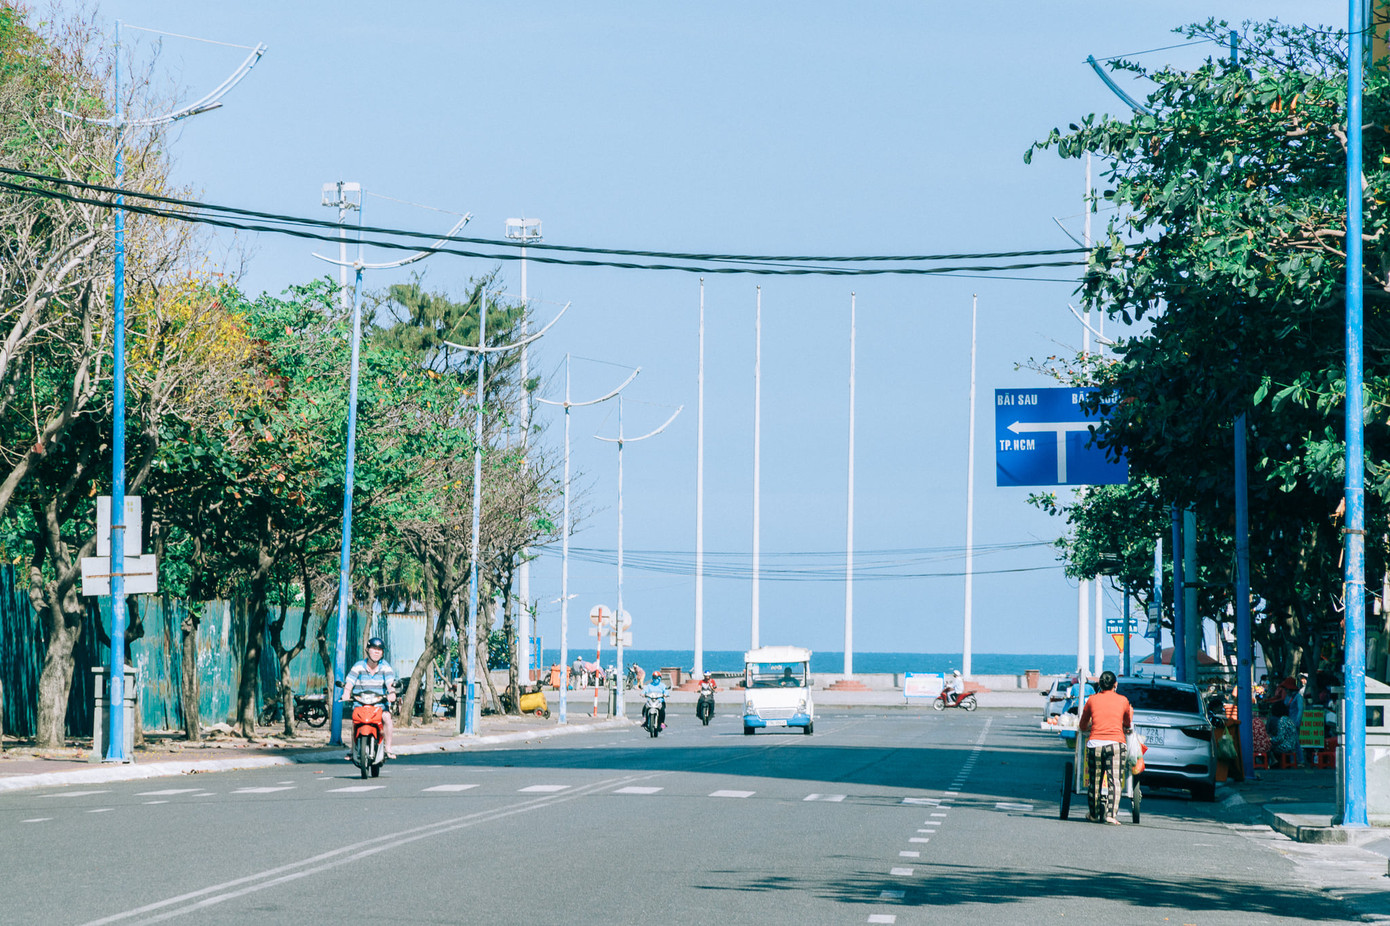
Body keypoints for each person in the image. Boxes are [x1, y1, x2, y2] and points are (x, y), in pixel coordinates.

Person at [1077, 670, 1133, 825]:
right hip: (1116, 744)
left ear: (1100, 685)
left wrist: (1091, 725)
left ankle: (1094, 814)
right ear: (1115, 684)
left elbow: (1082, 725)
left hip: (1095, 744)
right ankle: (1110, 814)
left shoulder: (1092, 700)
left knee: (1094, 781)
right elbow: (1128, 722)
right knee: (1114, 781)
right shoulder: (1123, 701)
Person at [341, 637, 398, 759]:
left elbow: (390, 683)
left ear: (382, 653)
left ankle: (388, 748)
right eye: (374, 648)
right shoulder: (358, 666)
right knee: (356, 721)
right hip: (360, 704)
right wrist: (346, 692)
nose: (376, 652)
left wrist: (392, 693)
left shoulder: (385, 667)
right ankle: (353, 749)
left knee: (387, 718)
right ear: (367, 650)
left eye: (379, 649)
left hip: (379, 705)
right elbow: (350, 682)